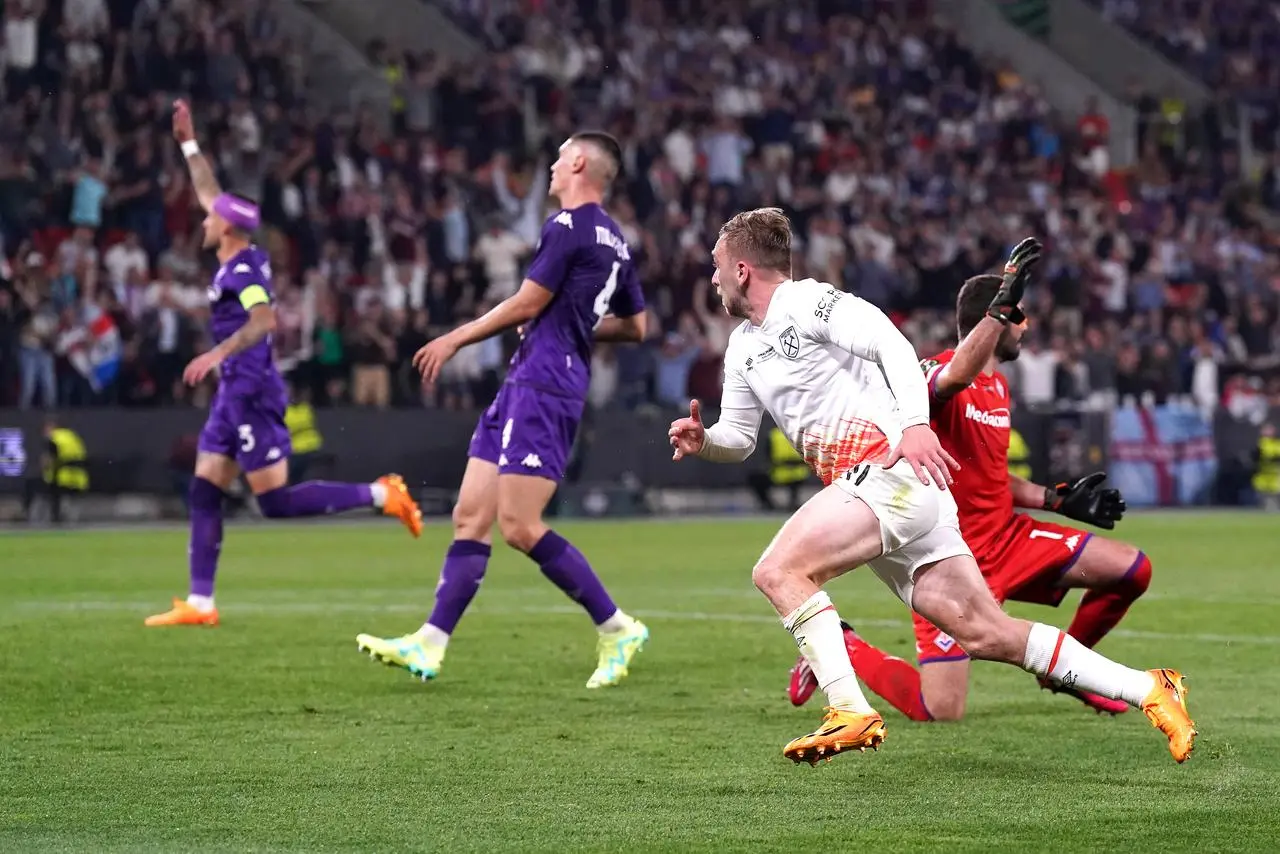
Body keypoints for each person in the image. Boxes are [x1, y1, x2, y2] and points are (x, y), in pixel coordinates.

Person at [667, 210, 1196, 764]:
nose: (713, 278)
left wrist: (915, 426)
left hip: (889, 472)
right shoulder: (744, 347)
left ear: (744, 269)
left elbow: (890, 344)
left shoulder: (808, 302)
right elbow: (741, 437)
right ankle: (1151, 688)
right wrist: (707, 440)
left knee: (778, 571)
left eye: (717, 266)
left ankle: (847, 707)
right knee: (986, 633)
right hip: (889, 493)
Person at [788, 263, 1154, 720]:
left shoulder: (998, 385)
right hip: (952, 558)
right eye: (1018, 316)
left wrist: (1055, 499)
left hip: (1010, 540)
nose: (1026, 326)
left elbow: (990, 474)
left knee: (1132, 570)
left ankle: (1064, 670)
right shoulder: (936, 372)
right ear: (995, 317)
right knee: (940, 709)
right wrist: (1000, 311)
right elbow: (953, 378)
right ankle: (844, 643)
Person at [356, 132, 651, 689]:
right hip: (527, 381)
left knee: (518, 525)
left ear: (580, 164)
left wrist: (454, 339)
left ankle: (616, 627)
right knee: (471, 514)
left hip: (545, 384)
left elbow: (527, 301)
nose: (552, 166)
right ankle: (430, 643)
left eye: (560, 157)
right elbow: (636, 327)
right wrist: (575, 323)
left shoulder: (567, 227)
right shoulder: (616, 238)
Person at [145, 100, 423, 628]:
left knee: (273, 502)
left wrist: (216, 353)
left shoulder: (242, 273)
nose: (204, 217)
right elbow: (208, 189)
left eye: (211, 216)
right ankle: (201, 603)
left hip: (251, 390)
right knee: (205, 488)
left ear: (226, 227)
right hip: (232, 393)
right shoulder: (235, 253)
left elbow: (265, 321)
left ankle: (382, 494)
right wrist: (188, 142)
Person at [23, 418, 88, 523]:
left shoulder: (54, 439)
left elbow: (48, 460)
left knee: (44, 492)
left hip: (62, 477)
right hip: (78, 477)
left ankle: (53, 519)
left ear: (50, 427)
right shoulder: (71, 436)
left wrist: (43, 468)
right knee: (67, 497)